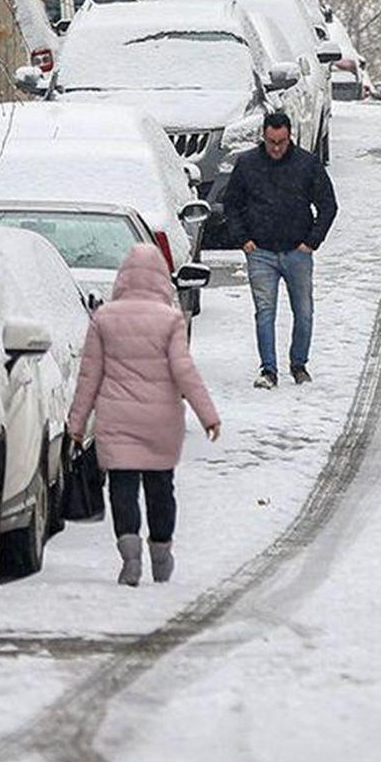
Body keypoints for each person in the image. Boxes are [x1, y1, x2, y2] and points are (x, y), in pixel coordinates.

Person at [67, 244, 222, 586]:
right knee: (160, 486)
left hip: (116, 418)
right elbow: (185, 371)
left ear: (124, 278)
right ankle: (161, 552)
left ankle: (130, 555)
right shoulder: (170, 320)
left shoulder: (104, 318)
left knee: (122, 486)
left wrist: (76, 424)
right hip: (160, 421)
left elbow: (89, 376)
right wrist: (208, 415)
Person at [217, 110, 338, 389]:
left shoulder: (307, 164)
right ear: (263, 136)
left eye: (281, 142)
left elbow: (328, 205)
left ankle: (299, 364)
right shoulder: (247, 164)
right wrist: (243, 239)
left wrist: (311, 242)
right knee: (265, 312)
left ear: (289, 137)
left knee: (304, 312)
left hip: (298, 250)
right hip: (260, 251)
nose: (276, 148)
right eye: (271, 141)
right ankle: (268, 369)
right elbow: (231, 204)